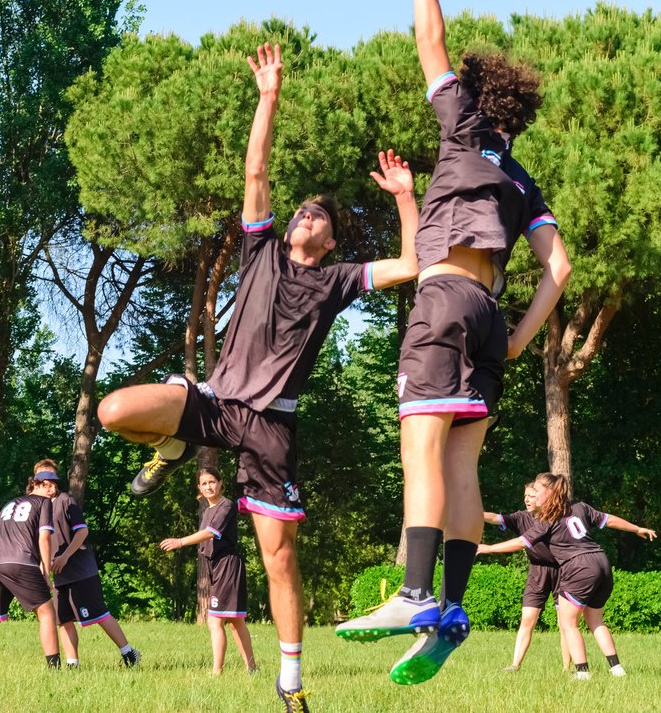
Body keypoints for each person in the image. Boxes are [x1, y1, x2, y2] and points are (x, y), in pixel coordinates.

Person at [98, 42, 420, 713]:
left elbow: (412, 264)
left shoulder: (335, 280)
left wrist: (406, 197)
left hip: (273, 426)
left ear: (330, 240)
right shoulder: (261, 250)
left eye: (320, 216)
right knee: (112, 410)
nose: (307, 215)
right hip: (216, 403)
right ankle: (174, 443)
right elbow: (254, 173)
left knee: (279, 560)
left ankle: (291, 682)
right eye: (302, 210)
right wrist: (267, 98)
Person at [334, 0, 571, 687]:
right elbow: (560, 269)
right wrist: (514, 337)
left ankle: (411, 594)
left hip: (440, 301)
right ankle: (457, 606)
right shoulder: (520, 174)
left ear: (476, 97)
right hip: (488, 314)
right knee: (463, 464)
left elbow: (428, 38)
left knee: (420, 452)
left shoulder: (460, 124)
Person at [478, 472, 656, 679]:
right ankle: (617, 669)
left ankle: (582, 672)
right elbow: (609, 520)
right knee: (596, 621)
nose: (532, 494)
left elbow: (521, 543)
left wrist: (488, 548)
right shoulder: (580, 507)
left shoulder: (548, 516)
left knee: (568, 623)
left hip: (578, 567)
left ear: (550, 492)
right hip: (601, 561)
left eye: (536, 490)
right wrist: (636, 528)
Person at [31, 458, 140, 669]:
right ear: (35, 481)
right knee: (62, 620)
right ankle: (73, 664)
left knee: (99, 614)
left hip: (81, 571)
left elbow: (82, 531)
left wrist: (64, 557)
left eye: (50, 476)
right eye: (41, 477)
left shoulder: (65, 501)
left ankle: (129, 654)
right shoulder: (38, 508)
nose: (47, 482)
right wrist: (44, 568)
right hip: (59, 575)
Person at [161, 467, 258, 675]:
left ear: (220, 483)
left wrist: (179, 542)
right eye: (204, 484)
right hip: (215, 566)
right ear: (199, 487)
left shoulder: (226, 506)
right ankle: (252, 669)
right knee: (234, 621)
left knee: (216, 620)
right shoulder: (207, 511)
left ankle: (217, 672)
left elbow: (209, 533)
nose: (208, 486)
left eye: (212, 482)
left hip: (228, 566)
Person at [482, 483, 571, 671]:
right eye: (525, 496)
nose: (527, 499)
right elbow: (494, 518)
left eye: (531, 495)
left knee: (565, 622)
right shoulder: (520, 518)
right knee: (528, 618)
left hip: (562, 571)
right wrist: (474, 513)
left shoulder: (557, 516)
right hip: (537, 572)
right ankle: (515, 665)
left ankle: (567, 668)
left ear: (543, 497)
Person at [0, 472, 60, 669]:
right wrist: (46, 573)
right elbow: (44, 538)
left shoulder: (10, 504)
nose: (53, 490)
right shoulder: (44, 504)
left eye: (55, 486)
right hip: (22, 562)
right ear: (36, 484)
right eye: (49, 485)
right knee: (47, 613)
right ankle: (55, 668)